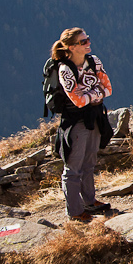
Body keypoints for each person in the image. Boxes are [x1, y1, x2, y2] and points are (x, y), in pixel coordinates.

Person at [44, 28, 113, 220]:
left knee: (89, 162)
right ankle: (74, 211)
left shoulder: (94, 61)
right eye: (83, 42)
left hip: (95, 117)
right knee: (73, 168)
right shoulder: (65, 70)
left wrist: (90, 95)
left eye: (87, 39)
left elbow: (108, 89)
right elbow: (78, 101)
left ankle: (89, 201)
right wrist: (96, 94)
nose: (88, 43)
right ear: (72, 47)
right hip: (76, 121)